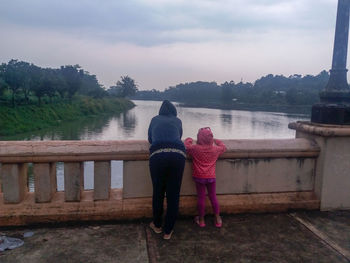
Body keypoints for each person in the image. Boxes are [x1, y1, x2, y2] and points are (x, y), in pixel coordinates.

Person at [148, 100, 186, 240]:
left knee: (158, 192)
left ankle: (157, 225)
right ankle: (168, 231)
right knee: (173, 195)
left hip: (158, 155)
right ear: (174, 111)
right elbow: (178, 137)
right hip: (178, 155)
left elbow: (150, 139)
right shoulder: (178, 121)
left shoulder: (154, 119)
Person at [184, 127, 226, 228]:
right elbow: (223, 147)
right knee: (213, 197)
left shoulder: (195, 149)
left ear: (199, 138)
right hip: (211, 177)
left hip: (199, 177)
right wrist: (216, 140)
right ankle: (217, 219)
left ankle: (202, 220)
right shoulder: (215, 149)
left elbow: (186, 146)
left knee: (201, 198)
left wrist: (189, 139)